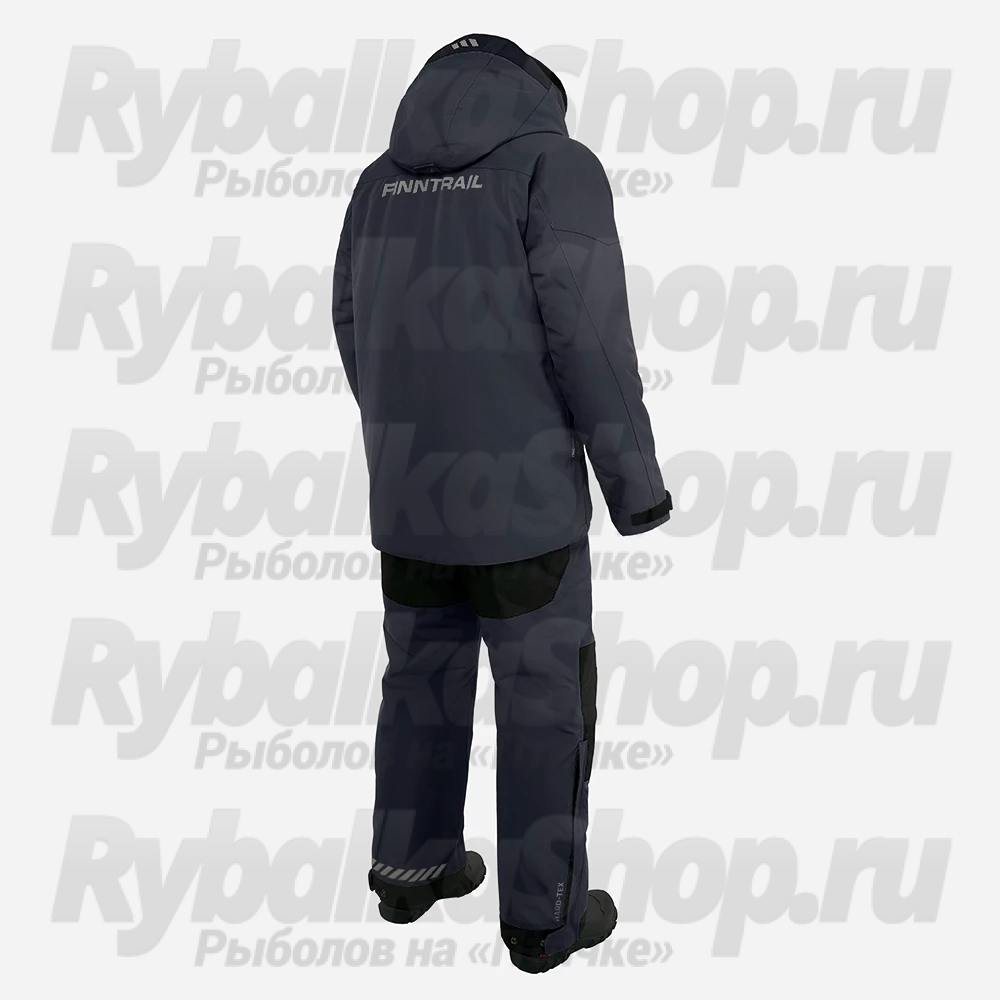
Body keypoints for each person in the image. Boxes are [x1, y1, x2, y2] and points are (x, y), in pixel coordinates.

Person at [332, 33, 671, 974]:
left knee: (419, 686)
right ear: (535, 94)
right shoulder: (554, 168)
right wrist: (635, 486)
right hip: (526, 511)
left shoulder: (376, 184)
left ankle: (411, 870)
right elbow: (590, 335)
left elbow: (353, 324)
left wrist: (407, 437)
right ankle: (542, 921)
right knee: (544, 708)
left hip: (411, 496)